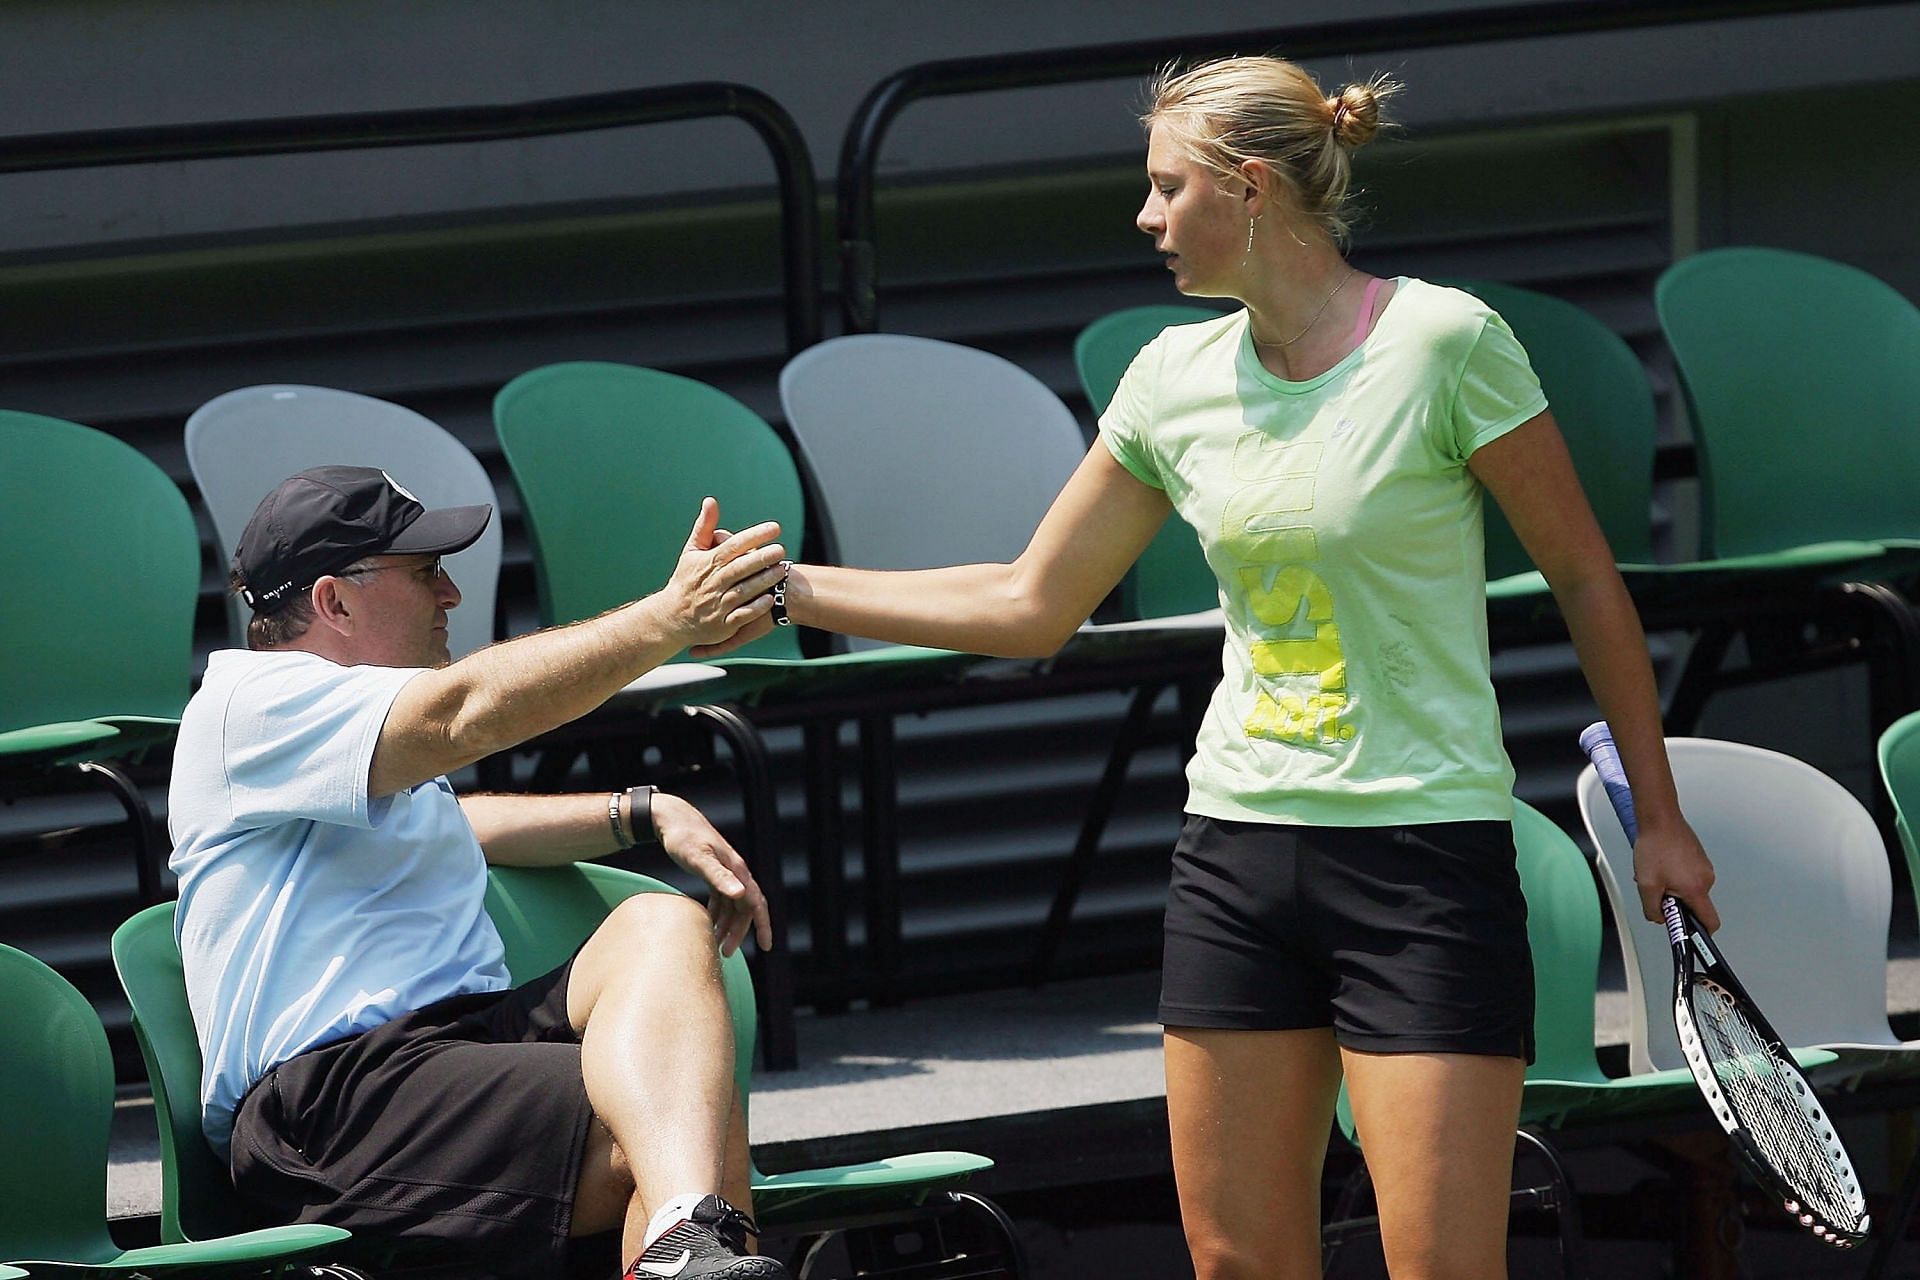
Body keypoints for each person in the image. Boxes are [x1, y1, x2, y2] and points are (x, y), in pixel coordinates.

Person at [771, 57, 1719, 1280]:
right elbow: (1028, 602)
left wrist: (1661, 814)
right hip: (1235, 856)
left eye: (1168, 187)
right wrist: (786, 589)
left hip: (1422, 864)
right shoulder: (1169, 378)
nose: (1146, 216)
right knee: (1235, 1262)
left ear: (1252, 188)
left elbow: (1589, 579)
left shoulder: (1445, 342)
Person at [168, 465, 792, 1280]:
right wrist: (667, 620)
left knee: (663, 926)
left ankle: (681, 1239)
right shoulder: (251, 703)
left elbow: (452, 821)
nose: (453, 594)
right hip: (336, 1100)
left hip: (456, 1046)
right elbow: (467, 709)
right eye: (426, 572)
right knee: (683, 1127)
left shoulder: (350, 737)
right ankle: (682, 1234)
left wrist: (644, 810)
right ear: (333, 601)